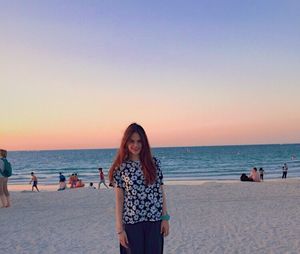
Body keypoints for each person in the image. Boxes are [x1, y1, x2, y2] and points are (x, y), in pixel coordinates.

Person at [108, 123, 170, 254]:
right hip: (131, 223)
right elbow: (119, 199)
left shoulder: (154, 163)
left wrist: (165, 218)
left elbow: (160, 192)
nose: (136, 145)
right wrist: (120, 230)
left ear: (144, 143)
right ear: (126, 142)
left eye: (139, 141)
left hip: (154, 221)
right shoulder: (121, 167)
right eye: (132, 141)